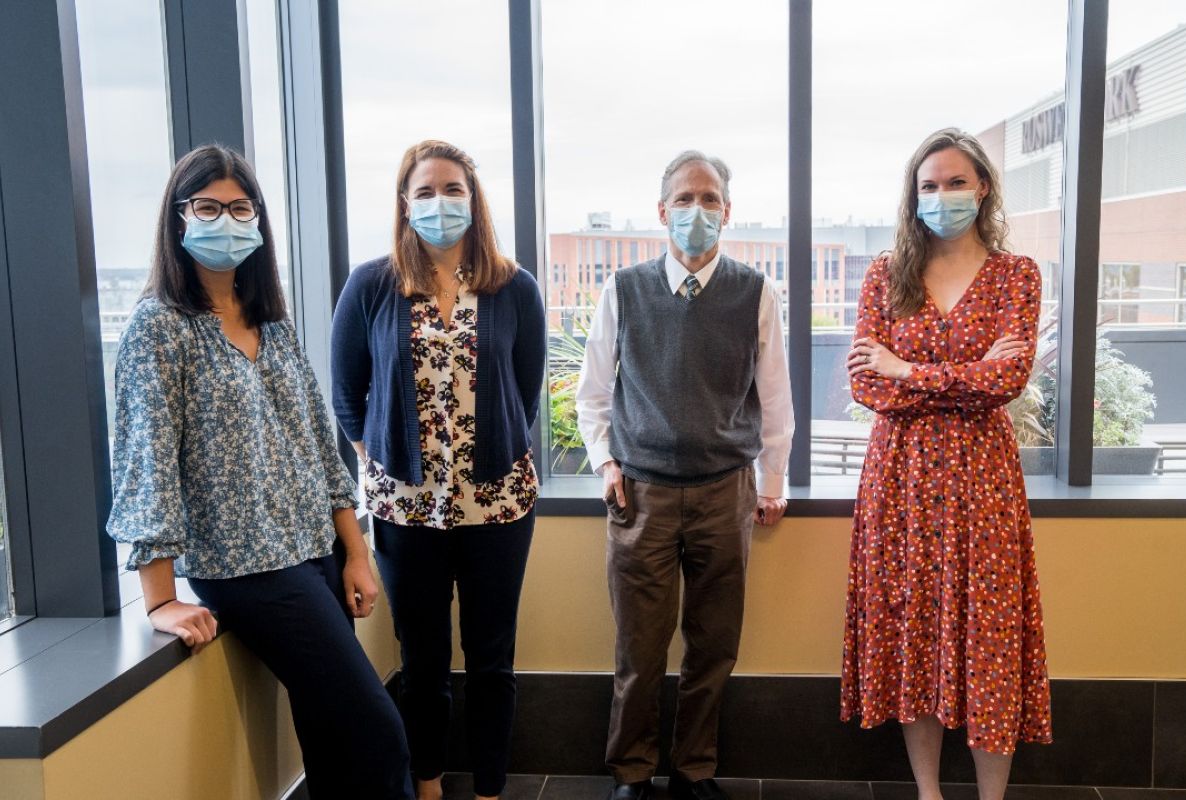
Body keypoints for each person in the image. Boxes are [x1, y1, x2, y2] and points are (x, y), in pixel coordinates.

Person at [107, 144, 413, 799]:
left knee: (333, 739)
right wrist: (159, 597)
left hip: (314, 551)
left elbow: (316, 447)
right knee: (377, 732)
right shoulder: (157, 330)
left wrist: (355, 552)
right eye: (209, 207)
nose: (227, 220)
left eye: (240, 207)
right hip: (247, 570)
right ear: (178, 219)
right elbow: (145, 464)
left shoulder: (271, 323)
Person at [840, 128, 1053, 800]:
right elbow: (865, 386)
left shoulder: (1017, 274)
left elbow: (1009, 379)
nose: (942, 196)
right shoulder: (885, 274)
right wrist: (961, 375)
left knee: (990, 640)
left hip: (983, 482)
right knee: (915, 634)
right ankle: (928, 793)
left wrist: (909, 369)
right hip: (899, 482)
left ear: (983, 186)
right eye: (928, 186)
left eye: (956, 182)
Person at [331, 140, 546, 800]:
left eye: (452, 189)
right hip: (406, 513)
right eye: (424, 192)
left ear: (473, 200)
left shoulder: (514, 287)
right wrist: (387, 459)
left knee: (491, 663)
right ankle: (427, 788)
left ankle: (487, 792)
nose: (439, 203)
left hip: (498, 508)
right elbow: (347, 394)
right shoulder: (372, 285)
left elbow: (526, 388)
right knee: (422, 665)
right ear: (404, 204)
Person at [576, 150, 794, 800]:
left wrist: (774, 479)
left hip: (725, 493)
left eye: (709, 200)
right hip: (639, 494)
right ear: (662, 210)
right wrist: (605, 461)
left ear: (727, 212)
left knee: (713, 644)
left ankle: (694, 771)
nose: (696, 211)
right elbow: (592, 393)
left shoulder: (756, 293)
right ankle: (633, 775)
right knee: (638, 651)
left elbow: (776, 396)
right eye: (684, 199)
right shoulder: (624, 290)